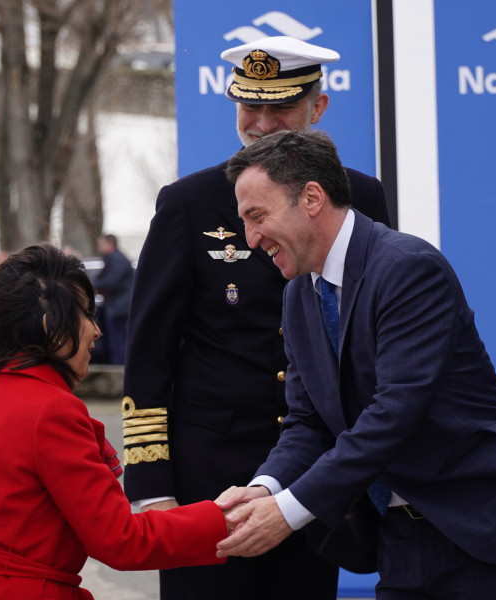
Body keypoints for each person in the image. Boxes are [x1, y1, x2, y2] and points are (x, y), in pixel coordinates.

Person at [216, 129, 496, 599]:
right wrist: (265, 489)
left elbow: (393, 413)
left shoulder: (407, 267)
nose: (251, 239)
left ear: (311, 198)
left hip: (490, 532)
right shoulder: (298, 295)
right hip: (401, 540)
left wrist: (290, 510)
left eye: (257, 216)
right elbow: (307, 422)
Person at [121, 36, 392, 599]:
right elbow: (148, 352)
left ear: (318, 109)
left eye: (281, 108)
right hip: (207, 483)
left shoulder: (360, 197)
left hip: (316, 477)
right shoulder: (188, 203)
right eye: (250, 106)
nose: (263, 124)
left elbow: (373, 338)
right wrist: (152, 485)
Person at [0, 244, 228, 600]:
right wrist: (223, 519)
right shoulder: (51, 412)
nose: (96, 331)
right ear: (50, 325)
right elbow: (120, 540)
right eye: (85, 314)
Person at [91, 234, 134, 364]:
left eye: (102, 244)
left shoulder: (118, 260)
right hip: (116, 306)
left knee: (119, 340)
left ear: (110, 244)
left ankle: (120, 366)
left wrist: (92, 284)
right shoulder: (113, 260)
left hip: (120, 308)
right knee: (115, 340)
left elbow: (110, 281)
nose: (100, 247)